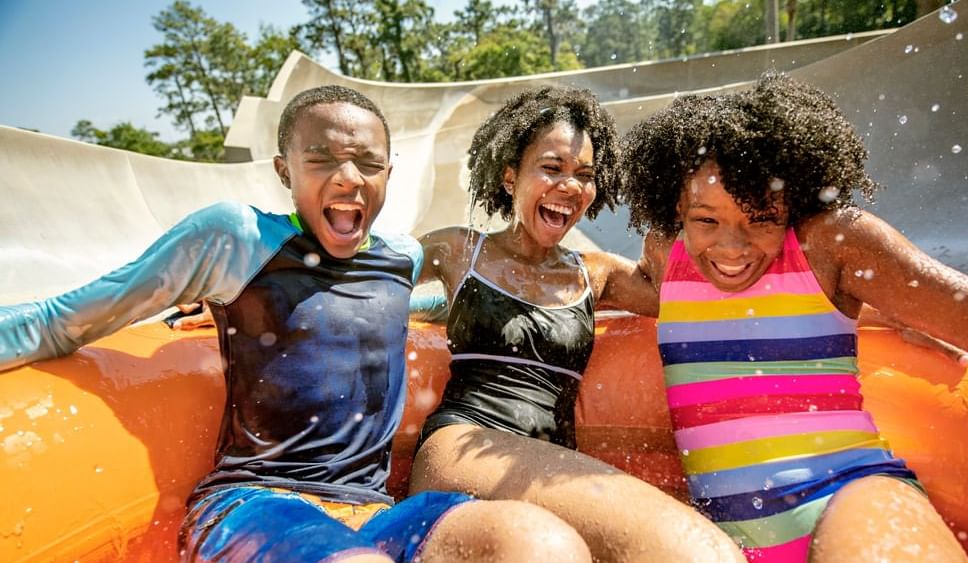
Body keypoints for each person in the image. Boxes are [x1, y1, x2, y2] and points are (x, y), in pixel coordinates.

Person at [0, 85, 592, 563]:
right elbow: (63, 320)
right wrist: (202, 302)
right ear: (285, 170)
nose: (348, 178)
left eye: (367, 163)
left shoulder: (398, 258)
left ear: (389, 172)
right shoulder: (236, 240)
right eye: (323, 160)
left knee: (544, 543)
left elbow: (416, 307)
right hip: (255, 503)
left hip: (373, 511)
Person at [621, 72, 968, 562]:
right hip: (724, 541)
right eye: (706, 220)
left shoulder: (831, 243)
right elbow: (592, 283)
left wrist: (907, 312)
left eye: (761, 218)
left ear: (793, 201)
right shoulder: (664, 255)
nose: (732, 247)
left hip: (852, 497)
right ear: (675, 205)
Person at [408, 85, 745, 562]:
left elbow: (679, 294)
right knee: (696, 551)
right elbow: (369, 276)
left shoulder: (594, 272)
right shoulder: (459, 250)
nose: (570, 186)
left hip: (543, 469)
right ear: (510, 176)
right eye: (551, 168)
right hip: (460, 449)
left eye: (584, 175)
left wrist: (666, 197)